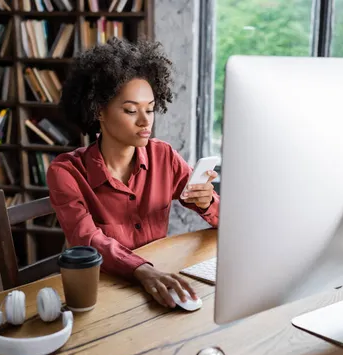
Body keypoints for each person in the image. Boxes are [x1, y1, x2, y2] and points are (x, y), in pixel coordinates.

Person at [46, 38, 219, 309]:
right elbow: (87, 239)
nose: (145, 120)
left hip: (156, 282)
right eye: (130, 110)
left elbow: (223, 220)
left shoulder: (164, 156)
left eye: (150, 109)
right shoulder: (66, 172)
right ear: (98, 111)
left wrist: (207, 201)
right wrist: (142, 270)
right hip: (101, 291)